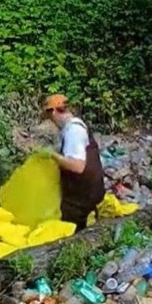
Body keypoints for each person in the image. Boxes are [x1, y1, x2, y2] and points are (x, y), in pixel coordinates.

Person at [43, 93, 105, 229]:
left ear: (53, 112)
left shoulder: (74, 131)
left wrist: (52, 155)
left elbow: (77, 166)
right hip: (87, 191)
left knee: (64, 226)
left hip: (83, 197)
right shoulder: (70, 128)